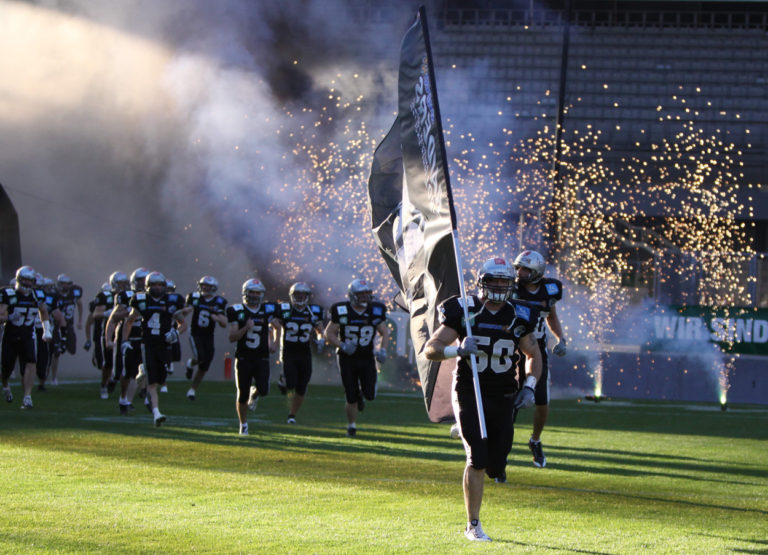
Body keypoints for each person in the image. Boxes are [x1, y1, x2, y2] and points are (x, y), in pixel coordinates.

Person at [424, 257, 542, 542]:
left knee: (496, 464)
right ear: (482, 282)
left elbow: (534, 355)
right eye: (495, 281)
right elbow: (432, 348)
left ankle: (469, 434)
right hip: (469, 391)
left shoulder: (520, 315)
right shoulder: (465, 310)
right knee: (476, 457)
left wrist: (529, 386)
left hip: (503, 394)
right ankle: (473, 525)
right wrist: (458, 350)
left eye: (505, 281)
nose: (500, 287)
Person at [512, 250, 567, 468]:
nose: (520, 273)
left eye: (525, 269)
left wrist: (561, 339)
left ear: (536, 272)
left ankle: (535, 440)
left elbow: (551, 315)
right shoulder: (511, 288)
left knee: (542, 402)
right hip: (513, 349)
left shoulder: (548, 290)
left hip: (538, 351)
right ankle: (501, 448)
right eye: (518, 268)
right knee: (510, 403)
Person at [324, 278, 389, 438]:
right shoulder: (342, 310)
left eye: (367, 293)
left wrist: (383, 350)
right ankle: (351, 426)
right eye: (361, 294)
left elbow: (385, 332)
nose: (365, 297)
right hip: (347, 358)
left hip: (367, 357)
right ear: (352, 295)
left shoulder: (375, 310)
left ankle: (362, 396)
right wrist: (342, 345)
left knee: (370, 394)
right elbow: (328, 333)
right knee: (350, 394)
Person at [121, 271, 185, 426]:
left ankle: (143, 377)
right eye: (154, 285)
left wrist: (175, 332)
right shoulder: (141, 300)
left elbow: (183, 324)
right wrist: (124, 340)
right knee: (152, 383)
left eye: (160, 285)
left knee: (160, 380)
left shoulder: (172, 301)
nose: (157, 288)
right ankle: (156, 413)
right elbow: (129, 321)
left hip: (164, 345)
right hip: (147, 344)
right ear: (148, 286)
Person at [226, 278, 279, 436]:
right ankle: (243, 425)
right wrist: (245, 328)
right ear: (245, 293)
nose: (255, 296)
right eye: (252, 292)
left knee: (264, 390)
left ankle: (254, 393)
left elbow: (277, 326)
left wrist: (275, 343)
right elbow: (232, 337)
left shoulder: (266, 310)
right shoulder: (237, 311)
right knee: (242, 394)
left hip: (261, 357)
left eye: (257, 293)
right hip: (243, 357)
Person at [0, 266, 54, 409]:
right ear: (19, 279)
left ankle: (27, 397)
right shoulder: (8, 294)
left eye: (31, 280)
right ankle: (5, 386)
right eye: (25, 280)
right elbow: (1, 313)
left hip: (28, 334)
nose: (28, 283)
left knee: (31, 362)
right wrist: (6, 317)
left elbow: (43, 311)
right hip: (10, 334)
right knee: (6, 368)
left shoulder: (37, 295)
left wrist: (46, 330)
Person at [272, 282, 325, 424]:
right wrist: (274, 340)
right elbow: (274, 324)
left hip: (304, 352)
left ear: (307, 296)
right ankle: (283, 380)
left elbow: (320, 330)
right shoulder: (285, 309)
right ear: (291, 296)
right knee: (291, 384)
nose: (300, 297)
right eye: (297, 295)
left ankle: (292, 415)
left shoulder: (313, 312)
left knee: (302, 387)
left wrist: (321, 340)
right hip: (288, 351)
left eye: (302, 295)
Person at [105, 267, 148, 415]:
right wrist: (108, 339)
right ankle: (117, 388)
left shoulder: (152, 297)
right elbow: (114, 318)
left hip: (143, 337)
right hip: (127, 337)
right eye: (141, 281)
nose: (143, 284)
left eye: (145, 280)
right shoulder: (125, 296)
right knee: (124, 373)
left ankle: (127, 401)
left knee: (140, 371)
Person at [183, 276, 228, 401]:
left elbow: (224, 323)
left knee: (205, 365)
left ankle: (192, 390)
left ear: (213, 288)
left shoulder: (219, 301)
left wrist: (217, 318)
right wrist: (186, 310)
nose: (204, 287)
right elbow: (184, 311)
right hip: (195, 333)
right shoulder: (194, 297)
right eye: (203, 285)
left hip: (208, 336)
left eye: (207, 286)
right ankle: (191, 363)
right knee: (200, 357)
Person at [49, 273, 83, 385]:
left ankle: (62, 345)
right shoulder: (54, 294)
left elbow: (80, 304)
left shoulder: (74, 293)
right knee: (56, 352)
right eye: (63, 284)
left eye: (68, 284)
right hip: (56, 326)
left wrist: (80, 320)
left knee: (72, 350)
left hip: (69, 325)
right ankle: (53, 377)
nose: (66, 286)